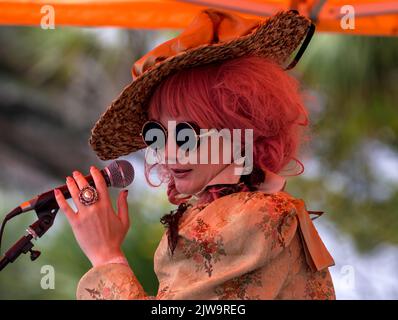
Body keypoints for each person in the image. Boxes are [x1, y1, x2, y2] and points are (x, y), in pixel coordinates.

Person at [54, 8, 336, 300]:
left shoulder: (249, 217)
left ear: (239, 127)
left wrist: (105, 255)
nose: (168, 152)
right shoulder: (257, 209)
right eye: (156, 135)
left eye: (185, 135)